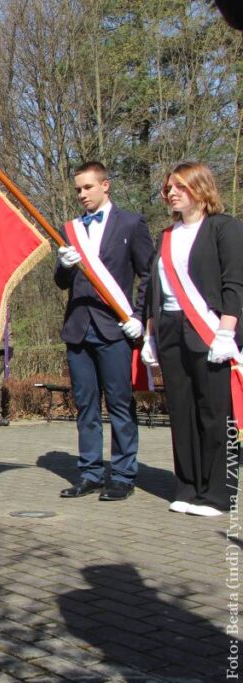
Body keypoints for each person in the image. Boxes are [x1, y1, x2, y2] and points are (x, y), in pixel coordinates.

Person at [141, 162, 243, 517]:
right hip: (169, 329)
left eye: (179, 186)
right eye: (168, 188)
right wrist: (149, 336)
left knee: (214, 412)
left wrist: (227, 331)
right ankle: (186, 487)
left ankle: (217, 493)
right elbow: (153, 289)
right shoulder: (165, 236)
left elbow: (234, 283)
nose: (171, 193)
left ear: (200, 189)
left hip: (209, 330)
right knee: (181, 411)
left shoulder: (223, 228)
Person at [54, 161, 153, 502]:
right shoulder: (70, 230)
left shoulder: (131, 223)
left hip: (114, 328)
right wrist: (64, 267)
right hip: (79, 329)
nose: (82, 194)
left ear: (105, 185)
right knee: (86, 406)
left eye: (88, 187)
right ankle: (91, 473)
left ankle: (123, 475)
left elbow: (148, 275)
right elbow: (61, 281)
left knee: (121, 404)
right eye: (78, 189)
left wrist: (139, 316)